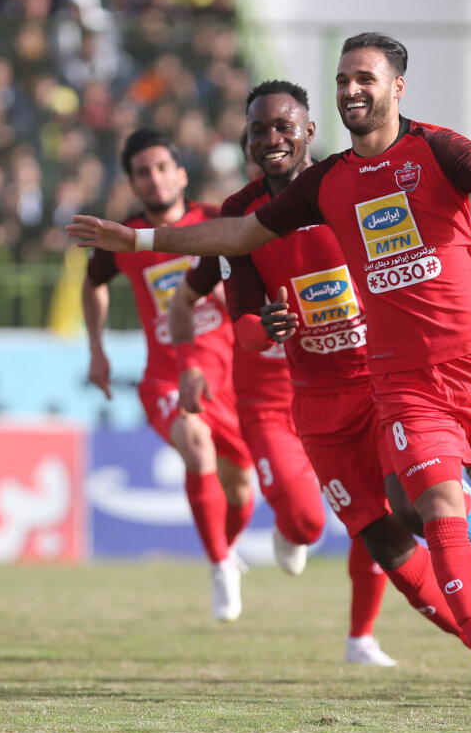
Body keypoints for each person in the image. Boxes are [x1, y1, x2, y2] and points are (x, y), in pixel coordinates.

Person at [67, 31, 471, 696]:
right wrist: (144, 244)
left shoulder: (430, 152)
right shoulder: (304, 193)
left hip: (450, 367)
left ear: (392, 89)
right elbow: (235, 256)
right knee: (397, 524)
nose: (351, 91)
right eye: (343, 80)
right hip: (369, 388)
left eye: (364, 79)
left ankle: (463, 498)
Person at [168, 128, 395, 666]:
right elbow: (183, 302)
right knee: (308, 522)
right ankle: (290, 529)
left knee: (380, 515)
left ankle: (361, 638)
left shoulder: (345, 205)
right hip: (270, 402)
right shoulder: (240, 232)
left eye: (284, 132)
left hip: (354, 389)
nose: (273, 147)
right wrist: (193, 363)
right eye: (260, 138)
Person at [80, 127, 256, 623]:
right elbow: (93, 284)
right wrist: (96, 349)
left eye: (162, 167)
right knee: (196, 446)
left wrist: (233, 295)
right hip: (169, 377)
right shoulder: (123, 238)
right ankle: (220, 566)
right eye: (143, 172)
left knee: (241, 489)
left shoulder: (219, 221)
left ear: (181, 175)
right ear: (133, 185)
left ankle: (226, 551)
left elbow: (259, 268)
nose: (154, 178)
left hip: (231, 380)